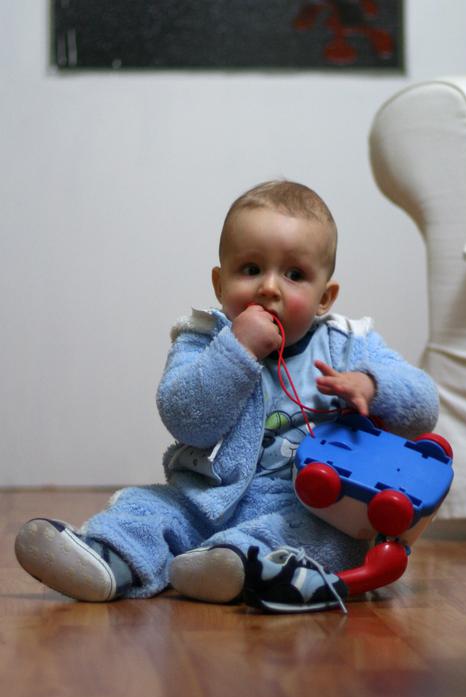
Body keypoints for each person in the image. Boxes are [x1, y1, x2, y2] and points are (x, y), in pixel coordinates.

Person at [15, 180, 439, 612]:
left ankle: (234, 564)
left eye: (294, 275)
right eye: (251, 269)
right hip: (208, 497)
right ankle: (106, 558)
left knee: (331, 539)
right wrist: (237, 351)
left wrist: (372, 385)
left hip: (307, 506)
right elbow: (187, 420)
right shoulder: (204, 340)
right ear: (220, 284)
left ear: (324, 298)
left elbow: (424, 404)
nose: (269, 288)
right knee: (149, 508)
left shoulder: (349, 346)